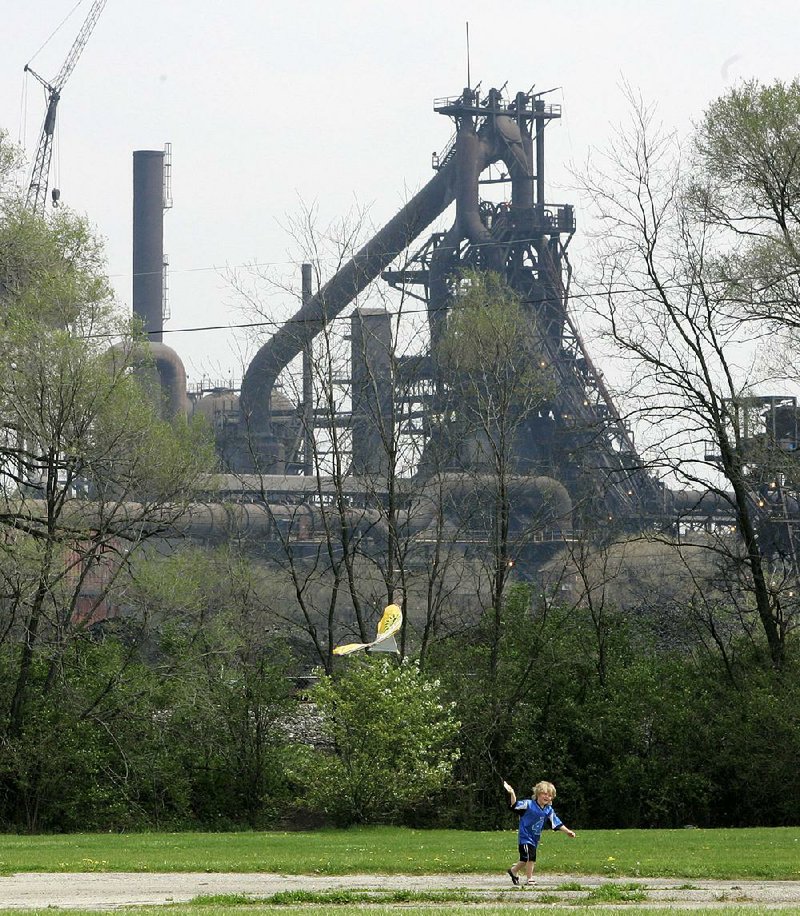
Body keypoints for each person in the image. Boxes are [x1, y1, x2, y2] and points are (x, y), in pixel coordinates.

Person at [503, 779, 576, 886]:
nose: (547, 797)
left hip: (535, 838)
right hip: (525, 837)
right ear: (538, 794)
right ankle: (530, 879)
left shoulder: (548, 810)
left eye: (550, 795)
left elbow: (556, 823)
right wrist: (512, 793)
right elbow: (514, 806)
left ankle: (513, 871)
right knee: (530, 857)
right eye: (545, 794)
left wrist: (568, 831)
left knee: (524, 859)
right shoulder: (528, 804)